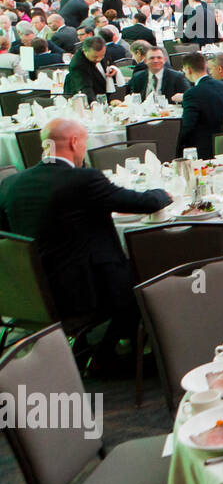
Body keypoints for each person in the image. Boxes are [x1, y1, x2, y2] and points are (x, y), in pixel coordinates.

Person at [0, 118, 171, 368]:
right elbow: (143, 203)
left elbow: (8, 238)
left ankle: (95, 349)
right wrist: (162, 193)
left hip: (28, 295)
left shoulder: (11, 184)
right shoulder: (83, 179)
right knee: (145, 274)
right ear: (74, 142)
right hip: (80, 295)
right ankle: (110, 355)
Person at [178, 52, 223, 159]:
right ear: (205, 67)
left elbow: (187, 127)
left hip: (205, 148)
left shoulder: (192, 94)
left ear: (188, 70)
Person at [62, 35, 123, 100]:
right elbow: (85, 88)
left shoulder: (102, 51)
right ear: (85, 51)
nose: (99, 59)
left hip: (104, 91)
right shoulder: (77, 64)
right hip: (85, 95)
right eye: (95, 57)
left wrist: (113, 68)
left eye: (102, 56)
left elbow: (110, 62)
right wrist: (94, 103)